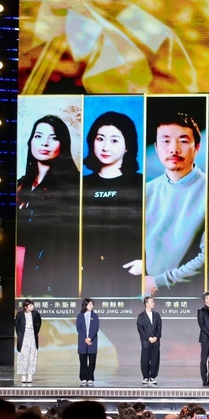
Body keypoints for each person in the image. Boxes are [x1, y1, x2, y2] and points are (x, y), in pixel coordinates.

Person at [132, 112, 206, 295]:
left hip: (192, 296)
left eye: (183, 141)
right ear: (156, 148)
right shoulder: (146, 191)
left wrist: (159, 282)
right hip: (145, 295)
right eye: (166, 141)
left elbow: (208, 257)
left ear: (197, 147)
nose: (174, 149)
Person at [17, 114, 80, 297]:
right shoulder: (21, 185)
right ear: (30, 142)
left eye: (53, 138)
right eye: (38, 136)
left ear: (63, 145)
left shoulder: (72, 187)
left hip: (46, 274)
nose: (44, 143)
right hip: (18, 268)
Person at [82, 110, 143, 298]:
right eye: (100, 139)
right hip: (88, 275)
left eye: (115, 140)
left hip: (130, 274)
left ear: (127, 146)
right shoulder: (81, 185)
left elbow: (161, 231)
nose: (105, 147)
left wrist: (147, 262)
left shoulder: (141, 185)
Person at [14, 299, 41, 384]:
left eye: (32, 305)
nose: (32, 307)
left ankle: (30, 375)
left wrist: (35, 332)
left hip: (32, 336)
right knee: (23, 356)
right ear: (25, 307)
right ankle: (23, 375)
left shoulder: (35, 314)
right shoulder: (20, 315)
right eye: (30, 305)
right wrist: (20, 334)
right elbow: (17, 326)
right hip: (24, 337)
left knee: (32, 356)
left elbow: (39, 323)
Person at [136, 295, 162, 385]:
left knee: (155, 359)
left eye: (153, 302)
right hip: (146, 342)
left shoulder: (157, 315)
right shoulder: (141, 316)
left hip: (156, 341)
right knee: (145, 359)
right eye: (151, 302)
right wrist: (148, 337)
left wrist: (155, 337)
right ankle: (146, 377)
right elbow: (140, 329)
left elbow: (159, 328)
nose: (153, 303)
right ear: (146, 304)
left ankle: (153, 376)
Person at [76, 297, 99, 386]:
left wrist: (90, 338)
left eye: (92, 304)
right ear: (85, 305)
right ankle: (83, 378)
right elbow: (79, 329)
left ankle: (90, 378)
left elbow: (96, 328)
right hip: (82, 341)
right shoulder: (80, 316)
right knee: (83, 361)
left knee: (92, 361)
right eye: (90, 304)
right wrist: (85, 338)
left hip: (92, 341)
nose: (92, 306)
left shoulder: (95, 316)